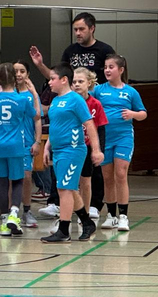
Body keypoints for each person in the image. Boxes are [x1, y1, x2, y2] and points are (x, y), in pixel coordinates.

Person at [31, 13, 113, 219]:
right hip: (67, 130)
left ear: (92, 28)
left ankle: (89, 209)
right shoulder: (70, 52)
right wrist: (40, 65)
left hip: (85, 118)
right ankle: (60, 206)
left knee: (86, 174)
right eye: (75, 29)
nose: (77, 33)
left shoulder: (104, 51)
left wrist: (97, 149)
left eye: (81, 29)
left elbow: (92, 124)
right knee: (64, 178)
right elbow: (58, 77)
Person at [40, 63, 103, 243]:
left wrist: (96, 150)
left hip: (73, 149)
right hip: (58, 150)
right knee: (67, 188)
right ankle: (87, 222)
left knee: (64, 189)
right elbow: (56, 126)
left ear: (63, 80)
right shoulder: (55, 101)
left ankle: (64, 230)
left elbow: (89, 124)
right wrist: (47, 147)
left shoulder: (75, 100)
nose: (49, 82)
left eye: (52, 79)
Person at [91, 54, 147, 232]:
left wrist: (132, 114)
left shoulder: (130, 92)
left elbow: (143, 113)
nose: (107, 70)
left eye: (111, 67)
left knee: (120, 174)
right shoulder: (99, 90)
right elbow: (87, 102)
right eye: (105, 67)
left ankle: (123, 216)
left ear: (121, 70)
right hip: (104, 138)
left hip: (123, 137)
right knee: (107, 177)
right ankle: (111, 215)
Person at [0, 63, 39, 237]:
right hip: (16, 146)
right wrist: (34, 94)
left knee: (2, 183)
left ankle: (5, 222)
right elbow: (37, 115)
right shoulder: (22, 99)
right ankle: (15, 213)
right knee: (17, 181)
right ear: (14, 80)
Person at [72, 68, 108, 219]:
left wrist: (98, 150)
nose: (77, 84)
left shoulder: (96, 104)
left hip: (87, 146)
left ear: (89, 83)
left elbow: (101, 128)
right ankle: (66, 212)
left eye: (80, 81)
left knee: (86, 181)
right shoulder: (68, 102)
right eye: (74, 82)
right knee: (69, 182)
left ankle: (85, 214)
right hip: (71, 147)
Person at [13, 60, 42, 228]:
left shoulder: (32, 95)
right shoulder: (6, 93)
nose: (18, 74)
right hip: (10, 142)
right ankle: (10, 212)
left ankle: (27, 211)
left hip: (27, 142)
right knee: (10, 178)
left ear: (28, 74)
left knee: (26, 176)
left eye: (22, 71)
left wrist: (37, 141)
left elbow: (37, 119)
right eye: (15, 71)